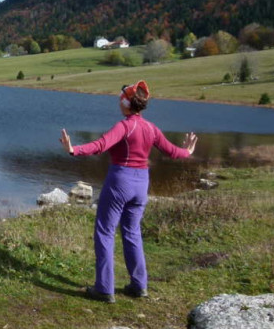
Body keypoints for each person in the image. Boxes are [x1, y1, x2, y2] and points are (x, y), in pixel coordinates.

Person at [59, 81, 197, 303]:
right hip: (141, 184)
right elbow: (173, 151)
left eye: (120, 97)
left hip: (120, 181)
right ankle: (139, 286)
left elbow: (101, 145)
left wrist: (74, 150)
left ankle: (104, 289)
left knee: (104, 231)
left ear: (126, 102)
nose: (118, 100)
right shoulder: (151, 128)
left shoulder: (124, 126)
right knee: (132, 232)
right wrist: (188, 151)